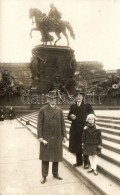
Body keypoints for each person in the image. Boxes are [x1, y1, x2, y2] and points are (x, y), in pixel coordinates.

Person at [37, 90, 67, 184]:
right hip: (46, 137)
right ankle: (44, 176)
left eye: (54, 99)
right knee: (45, 158)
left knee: (56, 157)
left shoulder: (59, 110)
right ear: (48, 99)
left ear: (56, 100)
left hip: (57, 137)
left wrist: (64, 135)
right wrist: (40, 137)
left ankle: (55, 174)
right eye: (51, 99)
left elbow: (63, 124)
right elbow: (39, 124)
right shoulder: (43, 110)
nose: (53, 100)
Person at [67, 89, 95, 169]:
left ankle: (86, 163)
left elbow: (92, 115)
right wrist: (71, 117)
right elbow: (68, 116)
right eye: (77, 96)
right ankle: (79, 162)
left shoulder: (87, 105)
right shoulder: (72, 106)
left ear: (83, 97)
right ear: (75, 98)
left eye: (80, 96)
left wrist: (89, 124)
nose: (78, 97)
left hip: (84, 129)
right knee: (77, 146)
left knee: (84, 146)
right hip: (75, 129)